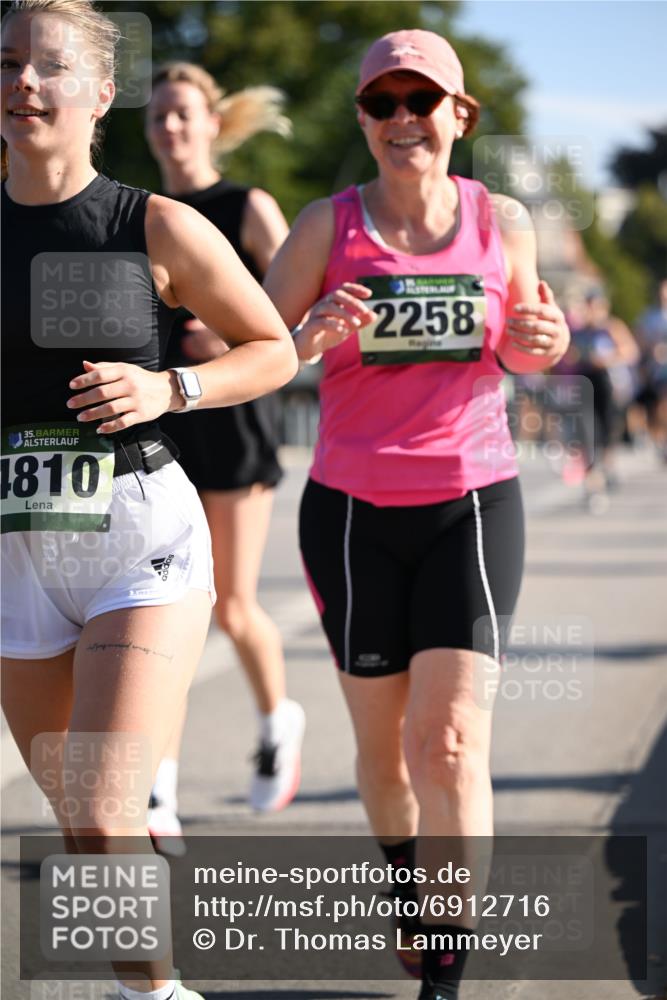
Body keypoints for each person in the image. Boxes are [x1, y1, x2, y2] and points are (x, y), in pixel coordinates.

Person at [264, 29, 570, 1000]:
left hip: (472, 504)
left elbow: (523, 346)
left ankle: (443, 968)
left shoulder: (502, 221)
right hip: (352, 516)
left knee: (447, 743)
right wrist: (304, 336)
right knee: (385, 751)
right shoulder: (325, 225)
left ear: (458, 116)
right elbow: (261, 348)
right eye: (383, 103)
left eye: (421, 101)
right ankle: (407, 881)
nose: (404, 120)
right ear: (363, 120)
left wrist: (546, 343)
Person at [0, 3, 297, 1000]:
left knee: (107, 802)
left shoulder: (152, 224)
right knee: (88, 829)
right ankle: (158, 991)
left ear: (97, 95)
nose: (23, 84)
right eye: (8, 64)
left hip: (139, 535)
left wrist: (169, 387)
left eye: (48, 68)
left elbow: (274, 349)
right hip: (17, 550)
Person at [144, 62, 305, 837]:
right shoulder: (136, 214)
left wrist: (238, 324)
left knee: (233, 606)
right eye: (157, 117)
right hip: (162, 423)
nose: (169, 127)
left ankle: (277, 723)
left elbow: (294, 309)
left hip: (233, 418)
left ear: (213, 122)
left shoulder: (246, 205)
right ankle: (158, 795)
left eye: (182, 114)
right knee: (163, 613)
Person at [557, 290, 639, 512]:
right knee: (588, 434)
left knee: (608, 431)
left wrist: (606, 359)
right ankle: (593, 484)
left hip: (608, 384)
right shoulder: (580, 331)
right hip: (585, 384)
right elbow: (567, 356)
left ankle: (607, 467)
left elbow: (631, 352)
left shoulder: (612, 327)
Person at [634, 277, 667, 462]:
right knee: (655, 409)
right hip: (654, 369)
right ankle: (661, 441)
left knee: (664, 403)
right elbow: (639, 340)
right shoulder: (649, 316)